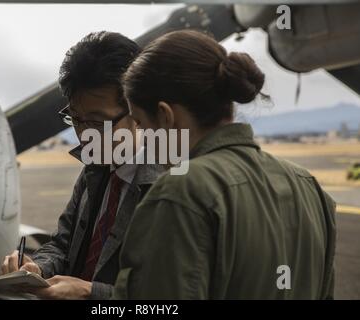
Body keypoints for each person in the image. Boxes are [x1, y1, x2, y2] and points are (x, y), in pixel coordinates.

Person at [112, 30, 336, 299]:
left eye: (139, 123)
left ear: (165, 115)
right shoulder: (308, 186)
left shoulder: (181, 190)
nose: (144, 142)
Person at [1, 31, 163, 300]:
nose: (84, 135)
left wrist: (91, 294)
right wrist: (36, 267)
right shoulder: (94, 169)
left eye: (98, 122)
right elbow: (64, 244)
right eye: (75, 119)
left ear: (138, 111)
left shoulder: (170, 186)